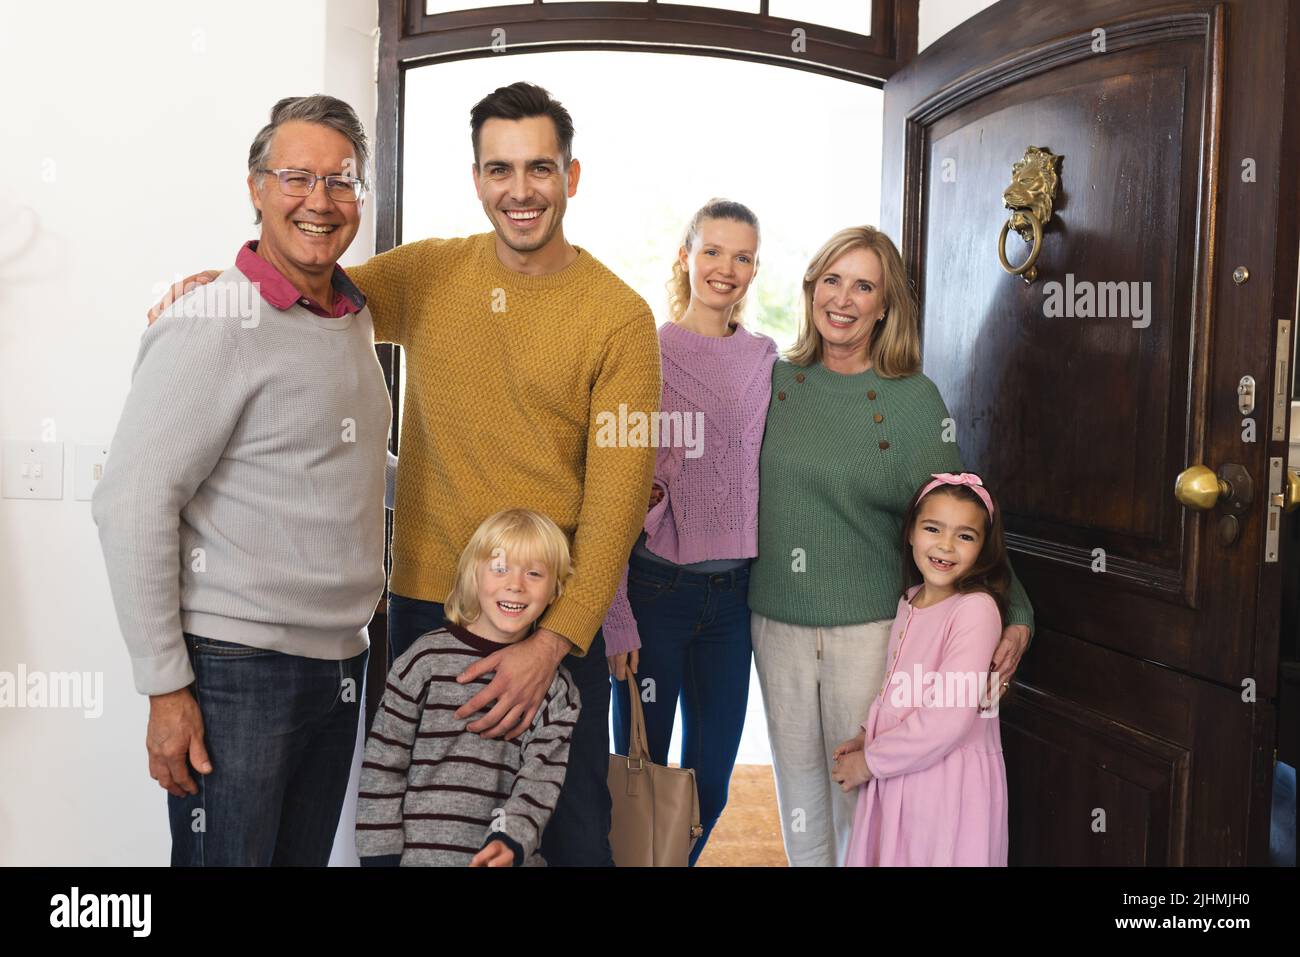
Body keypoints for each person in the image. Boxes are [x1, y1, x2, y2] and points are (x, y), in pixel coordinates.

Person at [147, 82, 659, 866]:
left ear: (572, 176)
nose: (519, 191)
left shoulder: (619, 317)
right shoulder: (427, 274)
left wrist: (552, 643)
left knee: (567, 832)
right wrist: (213, 291)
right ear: (477, 178)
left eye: (539, 169)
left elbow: (619, 509)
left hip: (552, 618)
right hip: (428, 609)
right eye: (498, 169)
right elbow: (308, 284)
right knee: (426, 834)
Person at [94, 95, 387, 865]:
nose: (319, 200)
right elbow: (130, 501)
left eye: (341, 180)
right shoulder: (213, 321)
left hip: (338, 665)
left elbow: (338, 460)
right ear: (256, 188)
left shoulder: (350, 316)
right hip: (236, 673)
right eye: (296, 176)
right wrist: (165, 688)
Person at [746, 225, 1034, 867]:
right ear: (811, 288)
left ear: (884, 306)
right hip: (775, 622)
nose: (843, 299)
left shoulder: (911, 402)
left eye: (864, 286)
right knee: (801, 800)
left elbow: (964, 516)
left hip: (869, 629)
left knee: (865, 795)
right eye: (832, 280)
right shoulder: (771, 382)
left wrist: (1017, 610)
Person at [603, 198, 776, 865]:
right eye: (712, 251)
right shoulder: (646, 352)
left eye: (741, 257)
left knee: (712, 783)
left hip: (733, 601)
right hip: (655, 594)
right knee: (638, 780)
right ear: (686, 256)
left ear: (755, 269)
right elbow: (616, 494)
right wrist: (616, 617)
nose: (725, 269)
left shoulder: (765, 360)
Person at [356, 509, 580, 866]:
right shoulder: (423, 661)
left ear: (556, 590)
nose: (516, 585)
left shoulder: (556, 690)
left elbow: (540, 781)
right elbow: (383, 763)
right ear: (473, 574)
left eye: (534, 573)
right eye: (500, 567)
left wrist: (511, 839)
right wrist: (379, 855)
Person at [834, 472, 1010, 866]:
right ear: (911, 532)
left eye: (965, 536)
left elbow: (948, 718)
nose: (946, 546)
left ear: (983, 549)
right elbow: (900, 690)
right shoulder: (910, 599)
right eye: (933, 528)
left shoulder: (975, 611)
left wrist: (869, 763)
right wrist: (870, 736)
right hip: (903, 767)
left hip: (946, 783)